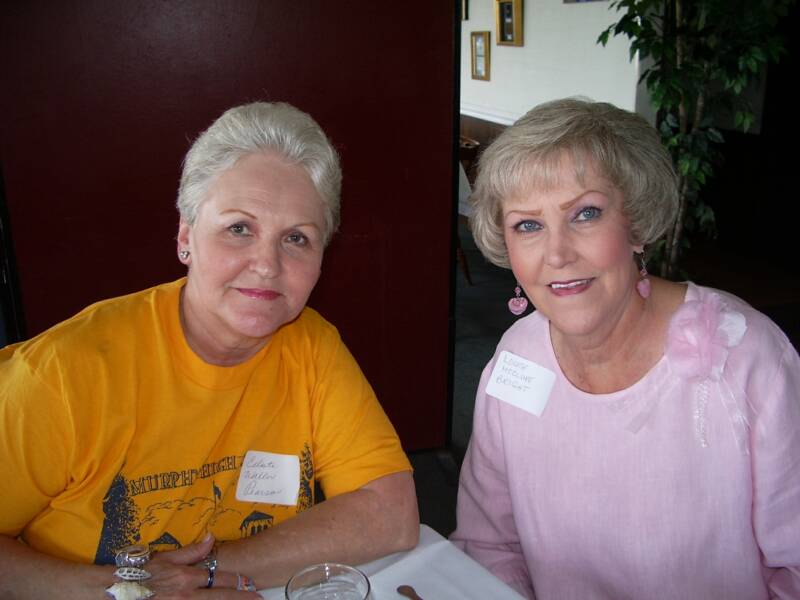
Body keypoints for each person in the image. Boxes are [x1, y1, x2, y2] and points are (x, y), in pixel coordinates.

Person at [0, 101, 419, 599]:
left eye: (296, 238)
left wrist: (205, 571)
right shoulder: (64, 372)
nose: (266, 265)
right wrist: (128, 593)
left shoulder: (311, 346)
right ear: (185, 235)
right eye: (239, 228)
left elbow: (390, 513)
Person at [450, 98, 800, 599]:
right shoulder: (516, 359)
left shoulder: (746, 357)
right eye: (528, 225)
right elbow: (489, 545)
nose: (557, 253)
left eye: (585, 214)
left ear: (635, 224)